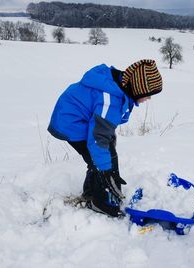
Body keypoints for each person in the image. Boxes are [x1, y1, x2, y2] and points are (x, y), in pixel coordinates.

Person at [47, 59, 163, 217]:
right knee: (101, 161)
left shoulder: (119, 86)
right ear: (137, 88)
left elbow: (105, 123)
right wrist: (107, 171)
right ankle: (100, 202)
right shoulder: (110, 99)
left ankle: (91, 193)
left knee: (104, 156)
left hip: (78, 119)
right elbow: (97, 137)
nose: (148, 98)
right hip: (71, 123)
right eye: (148, 94)